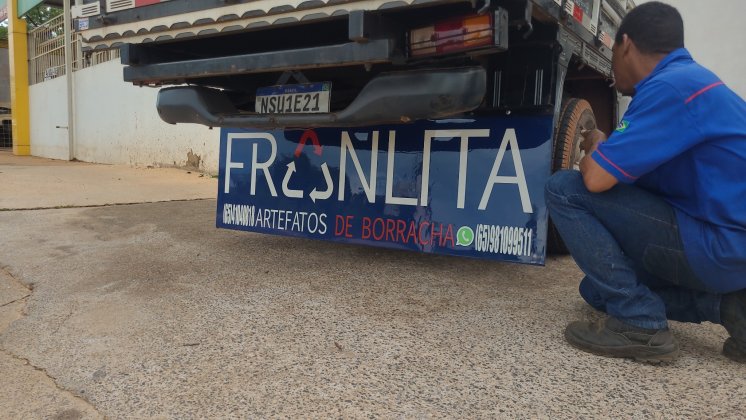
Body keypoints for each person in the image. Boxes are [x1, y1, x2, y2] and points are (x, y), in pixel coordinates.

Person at [545, 1, 746, 363]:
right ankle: (731, 308)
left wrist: (596, 145)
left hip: (718, 246)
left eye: (613, 55)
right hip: (731, 251)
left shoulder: (670, 88)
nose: (611, 67)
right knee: (595, 290)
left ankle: (639, 323)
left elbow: (596, 179)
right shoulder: (693, 82)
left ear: (626, 45)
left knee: (564, 189)